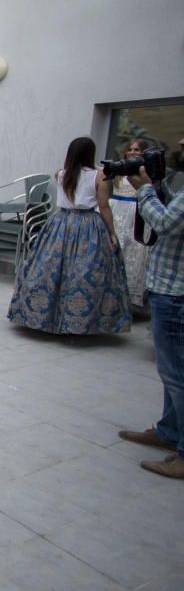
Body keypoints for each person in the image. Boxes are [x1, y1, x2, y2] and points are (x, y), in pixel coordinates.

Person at [7, 137, 131, 334]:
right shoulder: (99, 176)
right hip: (88, 225)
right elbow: (104, 206)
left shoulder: (61, 174)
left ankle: (44, 317)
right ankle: (77, 322)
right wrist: (112, 233)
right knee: (83, 273)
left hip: (60, 223)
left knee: (49, 268)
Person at [118, 163, 184, 478]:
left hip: (177, 292)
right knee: (171, 373)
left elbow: (165, 223)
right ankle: (168, 432)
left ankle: (181, 452)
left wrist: (144, 188)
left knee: (177, 376)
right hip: (169, 289)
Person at [110, 139, 152, 310]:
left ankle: (128, 301)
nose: (133, 152)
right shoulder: (119, 171)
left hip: (136, 214)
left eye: (137, 150)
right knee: (116, 250)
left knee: (134, 254)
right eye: (130, 149)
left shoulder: (146, 173)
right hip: (117, 212)